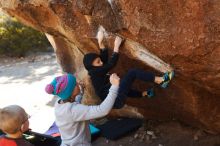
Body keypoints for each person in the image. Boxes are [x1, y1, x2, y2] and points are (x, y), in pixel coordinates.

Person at [83, 29, 174, 109]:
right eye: (98, 62)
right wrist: (116, 47)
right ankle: (161, 80)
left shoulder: (95, 69)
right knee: (132, 73)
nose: (101, 63)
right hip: (115, 101)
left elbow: (103, 58)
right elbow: (111, 64)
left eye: (99, 60)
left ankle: (146, 94)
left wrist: (100, 42)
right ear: (92, 66)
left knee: (124, 86)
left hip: (113, 98)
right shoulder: (95, 72)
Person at [45, 73, 120, 146]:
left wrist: (80, 92)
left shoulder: (59, 103)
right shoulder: (74, 110)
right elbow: (102, 110)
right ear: (71, 92)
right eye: (76, 84)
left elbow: (74, 104)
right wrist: (114, 86)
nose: (78, 83)